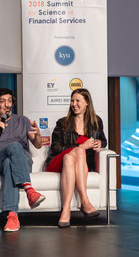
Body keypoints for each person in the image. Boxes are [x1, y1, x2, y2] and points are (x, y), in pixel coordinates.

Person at [0, 88, 46, 232]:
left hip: (23, 161)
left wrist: (38, 134)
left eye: (9, 101)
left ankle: (12, 216)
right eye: (2, 101)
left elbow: (38, 145)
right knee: (13, 148)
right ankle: (29, 190)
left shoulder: (23, 120)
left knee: (10, 163)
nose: (7, 105)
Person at [45, 88, 107, 228]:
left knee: (75, 156)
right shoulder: (63, 122)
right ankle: (85, 202)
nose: (74, 104)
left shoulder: (96, 121)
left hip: (78, 163)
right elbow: (55, 147)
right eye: (72, 101)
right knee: (77, 152)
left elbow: (104, 140)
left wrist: (99, 143)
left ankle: (66, 209)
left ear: (86, 103)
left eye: (77, 101)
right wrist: (80, 146)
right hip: (58, 161)